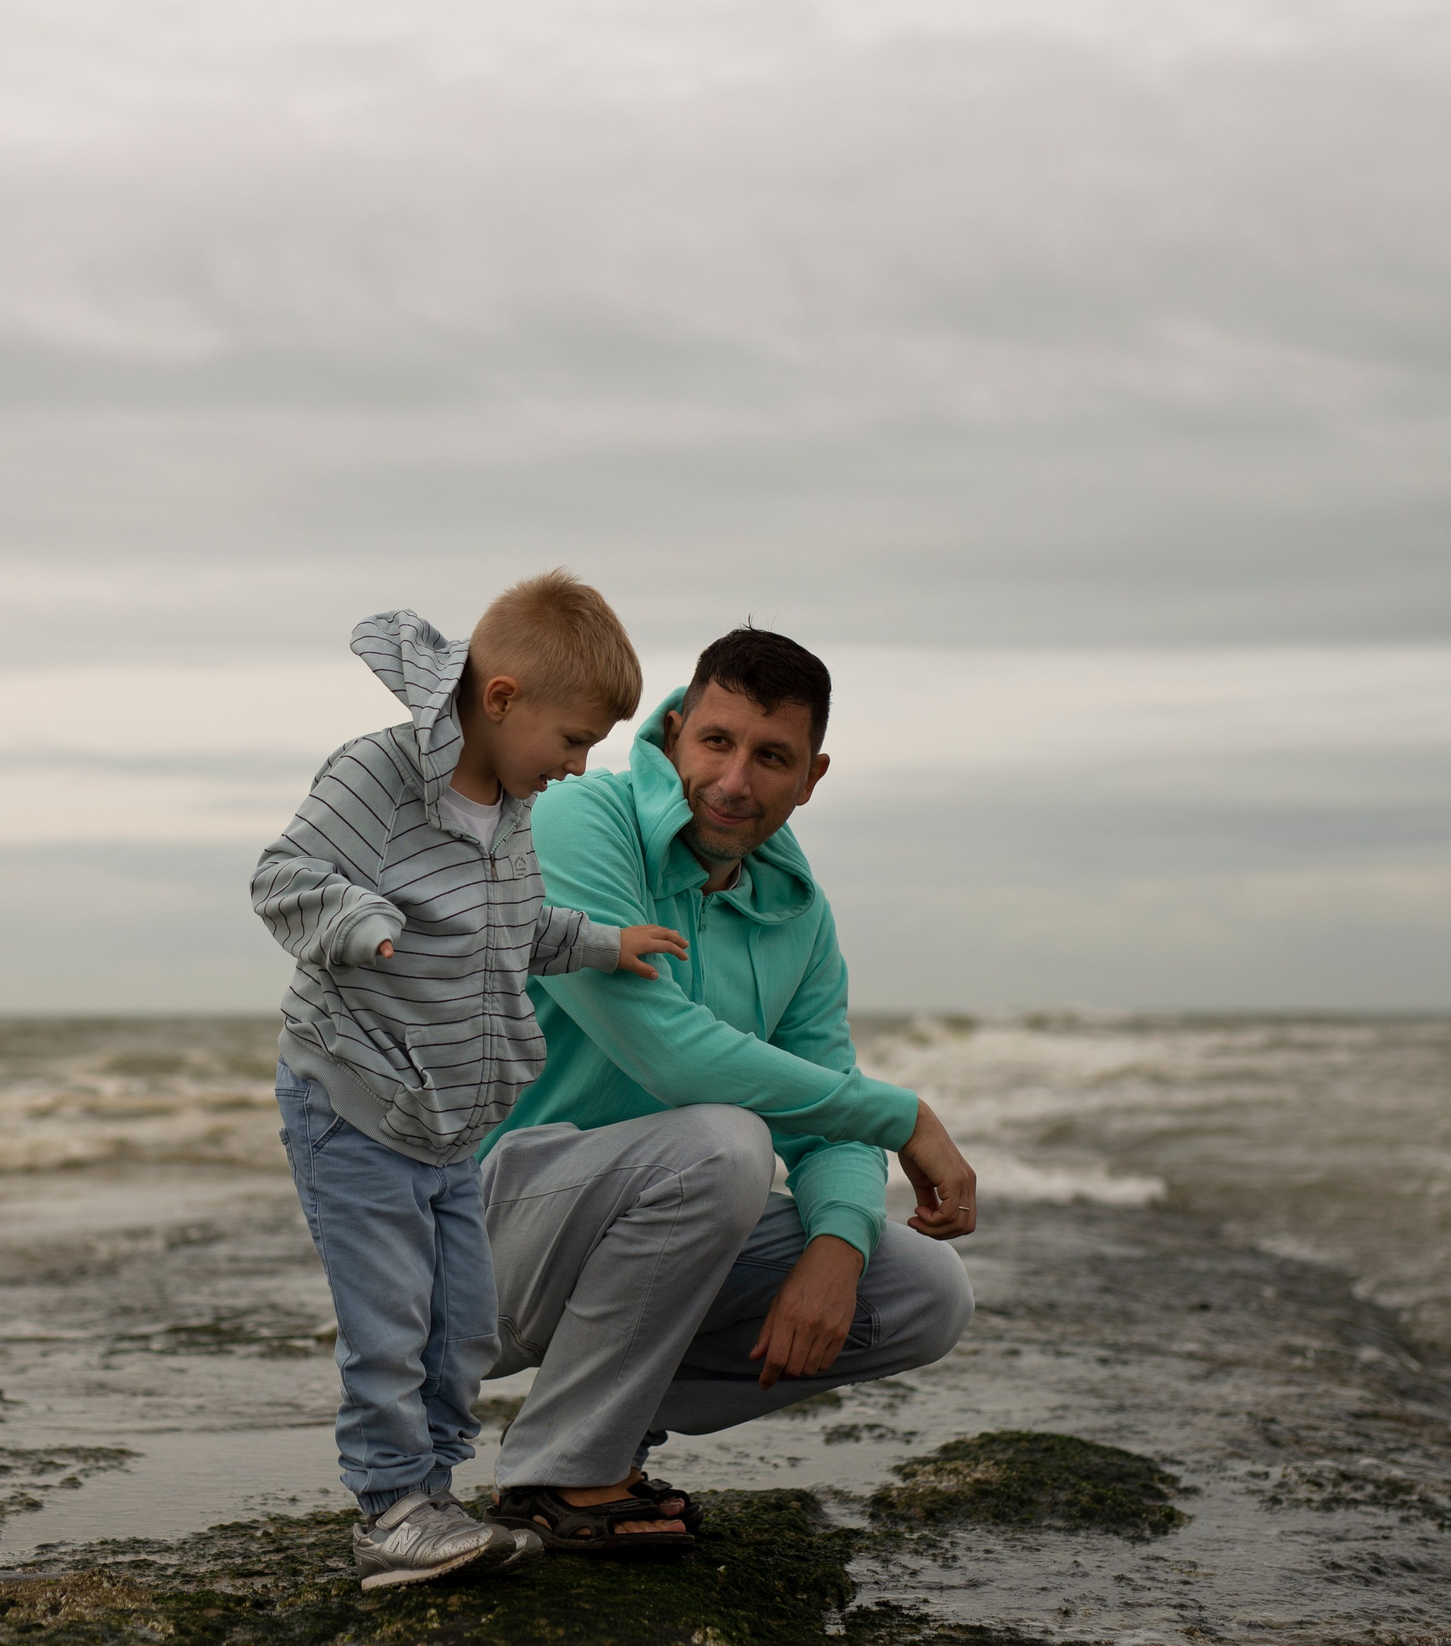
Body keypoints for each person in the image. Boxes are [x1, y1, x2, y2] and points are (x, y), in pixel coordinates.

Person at [477, 626, 979, 1554]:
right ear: (674, 733)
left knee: (921, 1293)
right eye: (717, 742)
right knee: (726, 1140)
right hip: (475, 1236)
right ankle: (565, 1469)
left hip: (650, 1220)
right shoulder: (578, 823)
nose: (735, 780)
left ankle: (594, 1434)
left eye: (771, 756)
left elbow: (822, 1100)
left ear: (812, 777)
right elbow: (673, 1054)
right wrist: (904, 1115)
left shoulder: (797, 908)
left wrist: (838, 1243)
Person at [249, 572, 690, 1590]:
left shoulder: (512, 804)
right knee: (389, 1316)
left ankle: (430, 1497)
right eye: (571, 741)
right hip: (352, 1100)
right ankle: (387, 1504)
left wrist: (598, 941)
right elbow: (282, 876)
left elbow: (516, 928)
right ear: (500, 701)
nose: (579, 767)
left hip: (449, 1120)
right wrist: (361, 924)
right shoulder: (381, 774)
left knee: (464, 1321)